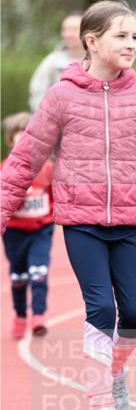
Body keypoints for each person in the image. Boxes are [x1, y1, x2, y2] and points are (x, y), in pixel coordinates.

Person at [1, 0, 136, 410]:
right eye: (121, 35)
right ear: (91, 41)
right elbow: (24, 159)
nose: (131, 43)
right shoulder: (61, 97)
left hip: (129, 223)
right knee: (100, 308)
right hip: (81, 222)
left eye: (135, 35)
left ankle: (112, 373)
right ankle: (99, 409)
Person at [1, 112, 54, 337]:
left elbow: (56, 196)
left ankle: (39, 316)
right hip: (14, 233)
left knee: (39, 272)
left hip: (41, 230)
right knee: (19, 276)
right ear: (10, 140)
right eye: (19, 135)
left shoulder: (47, 168)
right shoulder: (4, 169)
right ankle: (21, 315)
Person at [28, 12, 84, 111]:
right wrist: (49, 116)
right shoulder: (51, 61)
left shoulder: (98, 61)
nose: (68, 34)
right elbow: (37, 92)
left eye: (74, 30)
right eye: (65, 30)